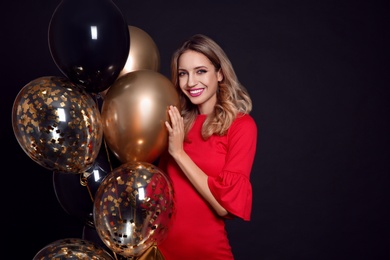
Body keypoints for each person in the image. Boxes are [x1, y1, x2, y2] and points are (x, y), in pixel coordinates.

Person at [158, 34, 257, 259]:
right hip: (160, 252)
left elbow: (223, 207)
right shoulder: (174, 124)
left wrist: (179, 153)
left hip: (208, 253)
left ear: (220, 73)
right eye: (183, 74)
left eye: (201, 71)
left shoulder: (241, 126)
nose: (191, 82)